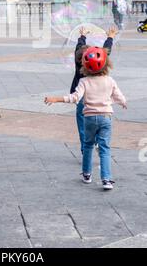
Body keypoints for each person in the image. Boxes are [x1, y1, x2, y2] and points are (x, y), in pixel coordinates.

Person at [45, 46, 127, 190]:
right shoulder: (110, 80)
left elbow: (74, 97)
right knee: (104, 148)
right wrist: (123, 103)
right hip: (106, 117)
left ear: (84, 65)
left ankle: (87, 174)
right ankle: (106, 179)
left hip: (89, 118)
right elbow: (118, 96)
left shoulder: (84, 82)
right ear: (107, 63)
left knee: (88, 145)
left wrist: (56, 99)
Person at [71, 26, 117, 153]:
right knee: (98, 120)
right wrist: (110, 36)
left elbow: (79, 47)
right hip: (98, 97)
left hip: (80, 98)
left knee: (82, 125)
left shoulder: (78, 60)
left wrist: (82, 36)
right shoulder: (98, 63)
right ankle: (97, 141)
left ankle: (85, 148)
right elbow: (106, 51)